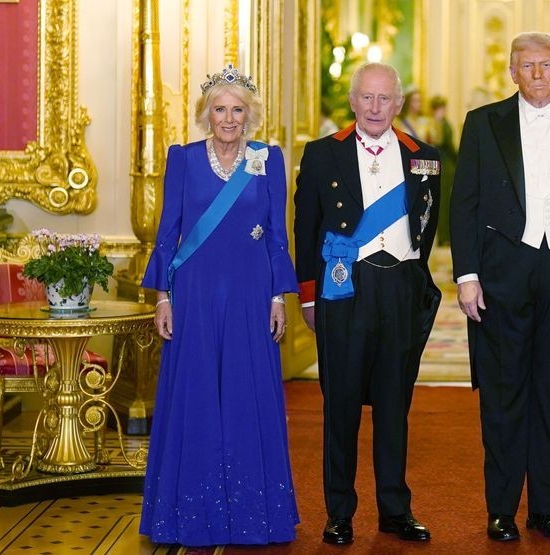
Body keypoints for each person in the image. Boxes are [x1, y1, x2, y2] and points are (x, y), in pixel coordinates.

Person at [450, 32, 550, 542]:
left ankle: (547, 508)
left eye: (546, 65)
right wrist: (467, 275)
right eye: (527, 65)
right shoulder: (483, 123)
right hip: (502, 272)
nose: (538, 74)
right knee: (502, 395)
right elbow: (465, 203)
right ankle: (501, 509)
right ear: (512, 72)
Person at [139, 65, 301, 546]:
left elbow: (277, 236)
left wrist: (278, 297)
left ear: (250, 116)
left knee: (248, 395)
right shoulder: (183, 159)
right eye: (220, 109)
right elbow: (168, 234)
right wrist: (163, 297)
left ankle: (255, 515)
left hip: (251, 295)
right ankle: (187, 515)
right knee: (195, 396)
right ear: (205, 113)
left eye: (238, 110)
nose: (229, 119)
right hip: (196, 294)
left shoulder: (267, 159)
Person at [294, 62, 442, 546]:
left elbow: (427, 225)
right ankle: (339, 512)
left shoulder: (425, 158)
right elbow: (306, 229)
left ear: (398, 104)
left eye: (386, 99)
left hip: (399, 285)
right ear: (353, 102)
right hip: (344, 288)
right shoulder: (321, 155)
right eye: (367, 98)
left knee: (395, 405)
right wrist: (311, 296)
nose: (376, 108)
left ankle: (395, 509)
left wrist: (414, 282)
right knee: (340, 407)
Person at [429, 95, 457, 245]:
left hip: (447, 165)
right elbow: (438, 141)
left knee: (445, 202)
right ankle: (441, 237)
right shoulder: (433, 124)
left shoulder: (445, 123)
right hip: (439, 165)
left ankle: (445, 236)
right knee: (440, 202)